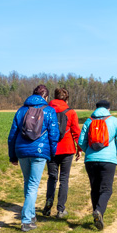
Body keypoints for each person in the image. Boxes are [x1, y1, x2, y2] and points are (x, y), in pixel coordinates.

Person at [8, 84, 60, 232]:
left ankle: (30, 215)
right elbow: (53, 134)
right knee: (33, 185)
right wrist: (52, 153)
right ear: (46, 97)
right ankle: (25, 220)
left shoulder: (21, 110)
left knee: (28, 182)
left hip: (22, 151)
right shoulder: (49, 111)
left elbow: (12, 135)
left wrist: (12, 155)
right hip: (39, 151)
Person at [78, 99, 117, 230]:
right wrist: (115, 150)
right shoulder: (114, 120)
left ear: (96, 108)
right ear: (108, 109)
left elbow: (81, 141)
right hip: (108, 160)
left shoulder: (89, 121)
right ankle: (99, 211)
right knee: (106, 189)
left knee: (95, 188)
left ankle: (97, 215)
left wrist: (88, 150)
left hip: (90, 160)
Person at [44, 87, 81, 219]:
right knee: (64, 179)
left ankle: (48, 202)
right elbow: (76, 132)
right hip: (67, 149)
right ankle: (60, 210)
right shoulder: (71, 112)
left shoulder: (47, 110)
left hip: (51, 148)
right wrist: (79, 149)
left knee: (52, 177)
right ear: (66, 98)